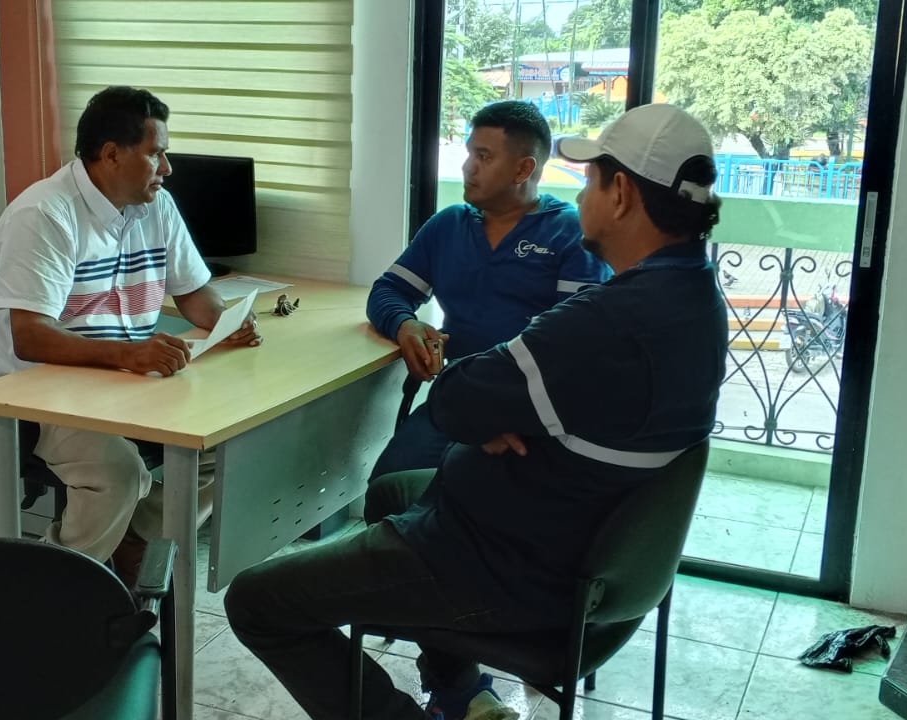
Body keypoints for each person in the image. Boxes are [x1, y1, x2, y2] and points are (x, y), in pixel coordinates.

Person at [225, 104, 728, 720]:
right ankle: (458, 687)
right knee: (392, 490)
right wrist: (495, 408)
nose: (581, 194)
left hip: (500, 562)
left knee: (256, 602)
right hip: (555, 531)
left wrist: (490, 407)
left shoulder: (610, 320)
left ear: (620, 193)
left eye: (591, 179)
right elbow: (470, 387)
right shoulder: (694, 294)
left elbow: (457, 395)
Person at [0, 86, 261, 583]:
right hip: (44, 393)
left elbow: (195, 294)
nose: (167, 168)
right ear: (111, 154)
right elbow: (30, 337)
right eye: (156, 153)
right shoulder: (43, 215)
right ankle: (57, 588)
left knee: (234, 439)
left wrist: (227, 321)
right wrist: (127, 355)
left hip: (126, 381)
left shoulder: (156, 206)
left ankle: (138, 539)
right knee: (119, 472)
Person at [364, 101, 607, 489]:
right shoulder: (449, 225)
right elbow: (388, 290)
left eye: (484, 156)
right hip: (457, 400)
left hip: (531, 417)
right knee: (388, 486)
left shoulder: (569, 233)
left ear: (523, 169)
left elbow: (577, 346)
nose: (467, 167)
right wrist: (405, 325)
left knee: (471, 502)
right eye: (469, 154)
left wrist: (509, 412)